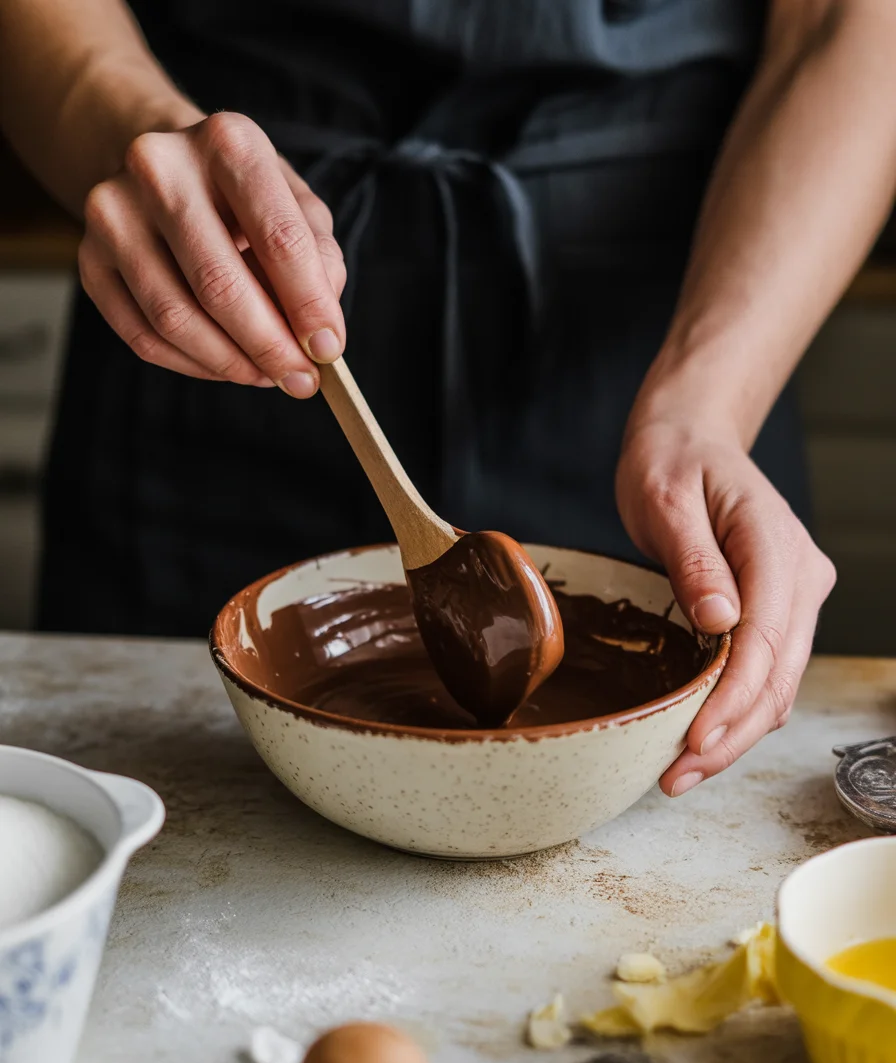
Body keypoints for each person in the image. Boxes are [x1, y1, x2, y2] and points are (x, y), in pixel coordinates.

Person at [3, 0, 891, 799]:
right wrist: (126, 126)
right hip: (217, 273)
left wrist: (707, 407)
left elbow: (845, 24)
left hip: (672, 307)